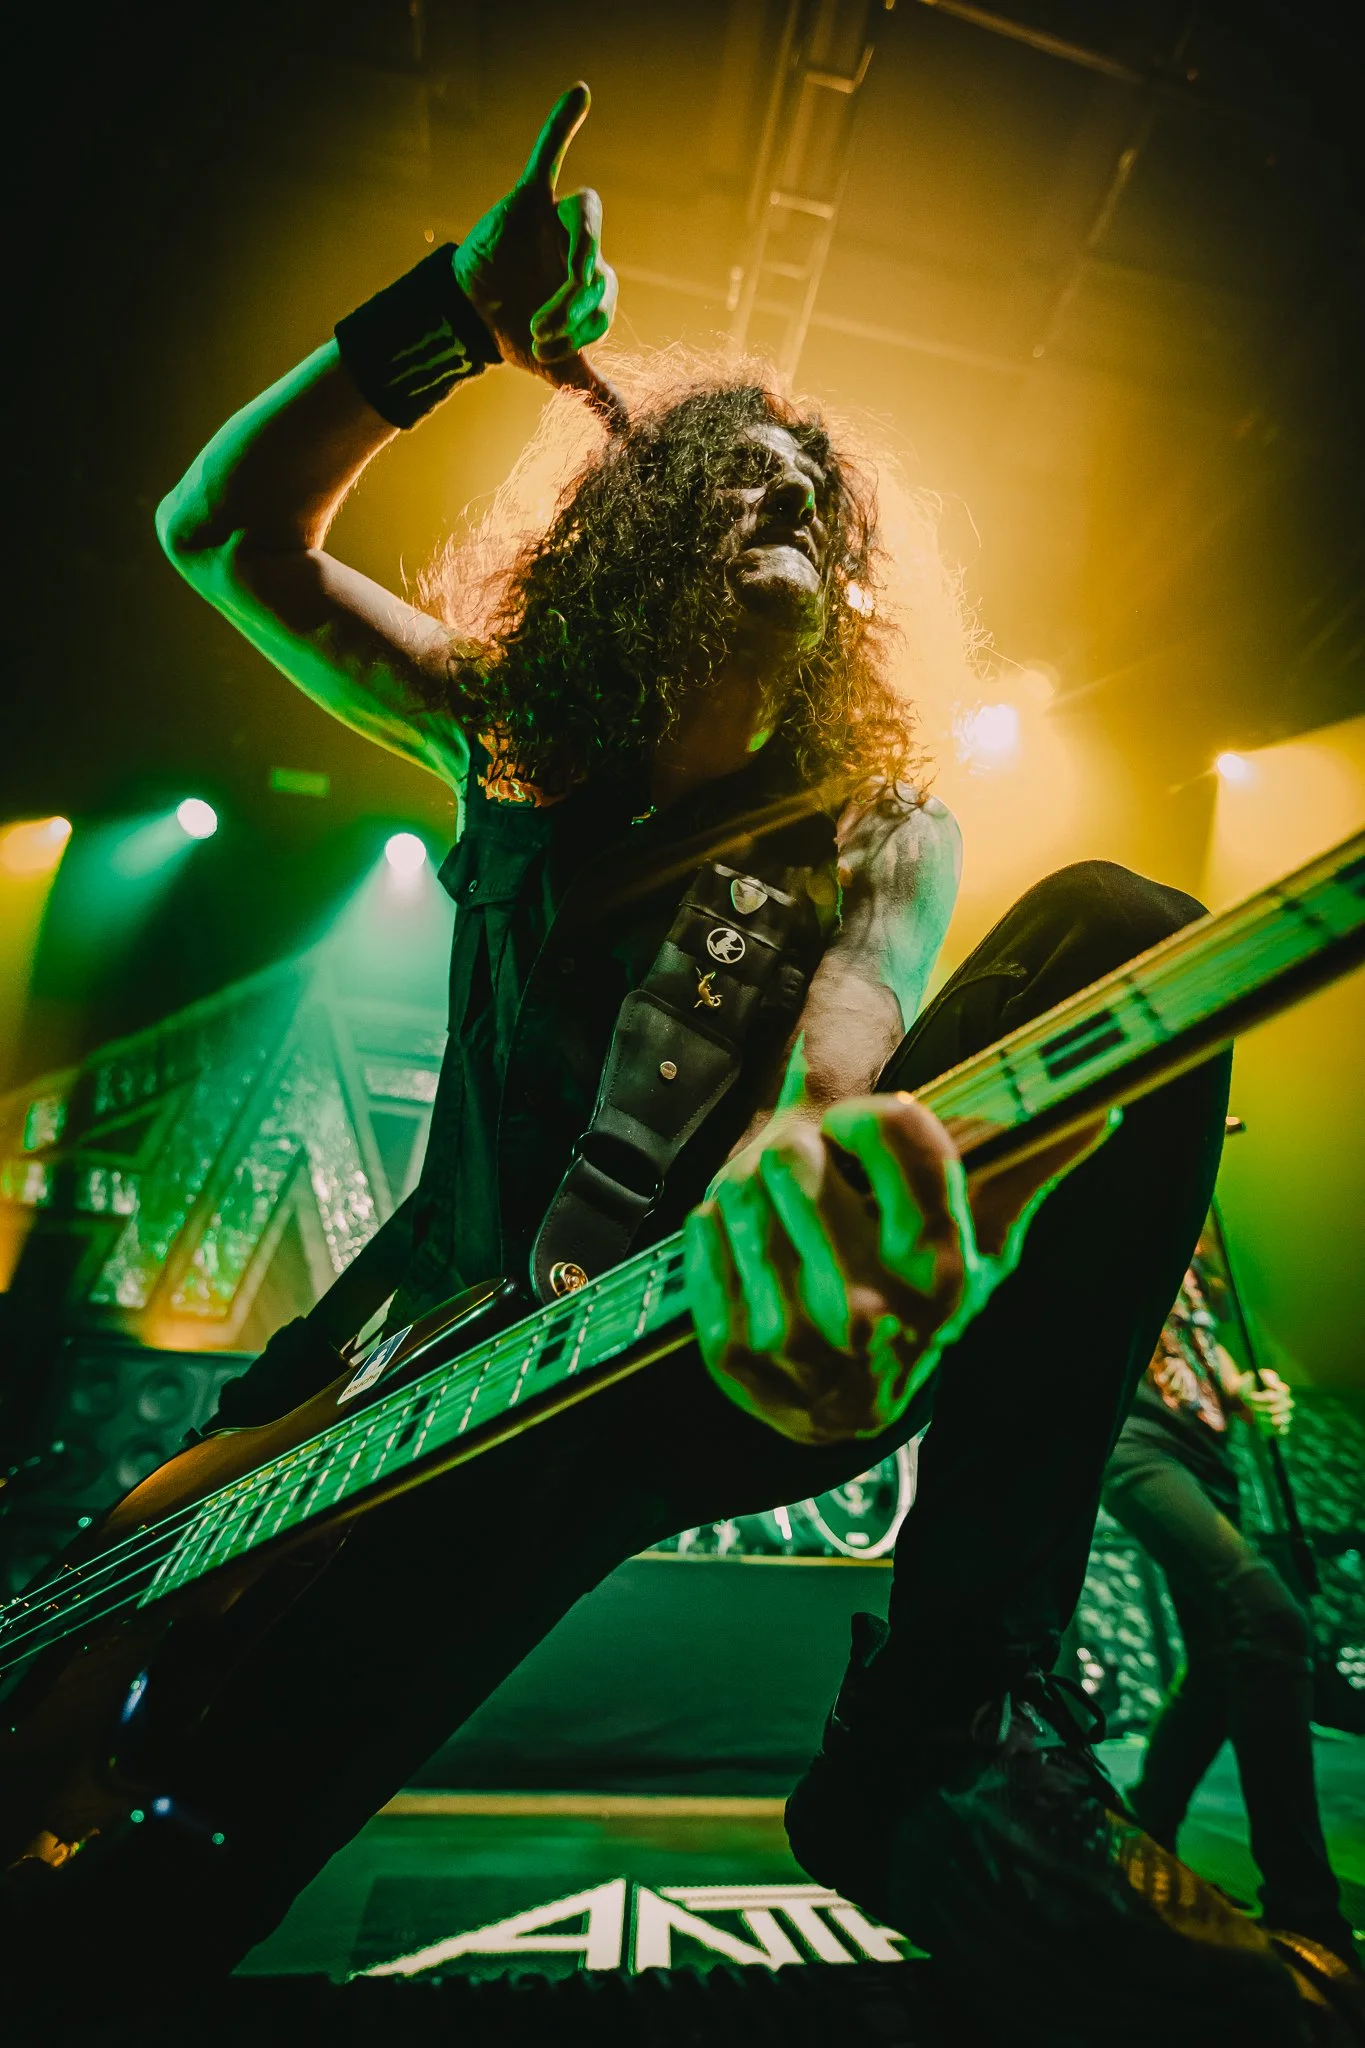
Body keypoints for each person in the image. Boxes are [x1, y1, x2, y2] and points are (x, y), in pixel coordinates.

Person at [40, 80, 1321, 2037]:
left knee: (1122, 924)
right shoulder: (510, 743)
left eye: (821, 491)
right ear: (642, 534)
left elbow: (842, 1044)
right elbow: (221, 531)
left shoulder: (878, 820)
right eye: (754, 474)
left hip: (718, 1334)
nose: (797, 497)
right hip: (441, 1390)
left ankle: (937, 1732)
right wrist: (449, 321)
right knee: (145, 1878)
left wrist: (817, 1171)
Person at [1100, 1247, 1356, 1962]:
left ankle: (1140, 1834)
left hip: (1208, 1456)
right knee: (1268, 1617)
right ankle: (1305, 1909)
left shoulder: (1205, 1246)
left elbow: (1196, 1346)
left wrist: (1249, 1390)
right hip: (1134, 1440)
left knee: (1219, 1659)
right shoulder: (1105, 1197)